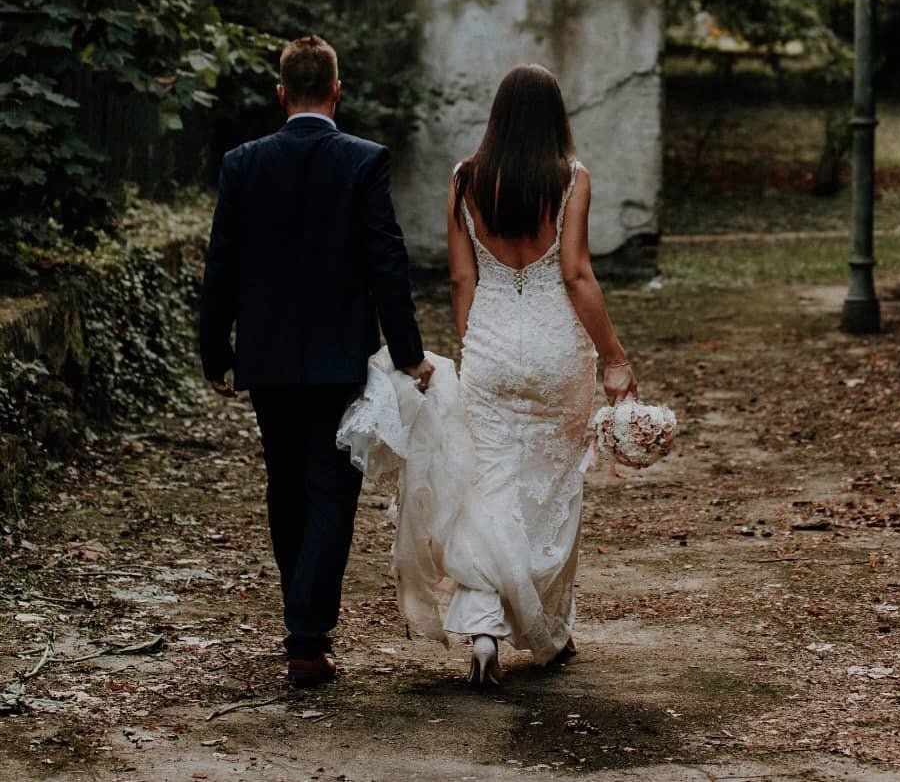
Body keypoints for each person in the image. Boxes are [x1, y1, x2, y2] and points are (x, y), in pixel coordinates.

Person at [199, 34, 434, 688]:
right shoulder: (363, 160)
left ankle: (303, 627)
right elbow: (387, 260)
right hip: (336, 357)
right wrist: (408, 353)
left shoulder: (243, 163)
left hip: (268, 357)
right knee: (331, 490)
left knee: (285, 482)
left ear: (281, 93)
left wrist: (215, 349)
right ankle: (306, 635)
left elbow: (223, 263)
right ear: (336, 90)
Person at [443, 62, 637, 686]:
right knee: (551, 490)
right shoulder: (571, 179)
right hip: (556, 351)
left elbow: (461, 279)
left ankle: (482, 629)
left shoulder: (464, 180)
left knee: (487, 486)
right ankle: (548, 634)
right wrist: (614, 355)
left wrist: (474, 341)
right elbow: (576, 275)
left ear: (497, 116)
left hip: (492, 346)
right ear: (555, 116)